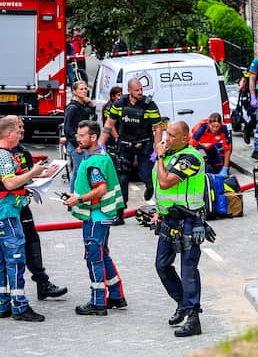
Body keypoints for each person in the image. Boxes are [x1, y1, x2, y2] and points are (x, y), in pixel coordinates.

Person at [63, 120, 126, 316]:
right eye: (78, 136)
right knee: (103, 254)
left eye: (82, 136)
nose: (78, 139)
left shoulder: (94, 162)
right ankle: (116, 296)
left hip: (96, 216)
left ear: (93, 137)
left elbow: (100, 189)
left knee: (94, 258)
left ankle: (98, 302)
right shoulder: (100, 156)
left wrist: (78, 199)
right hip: (105, 215)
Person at [151, 121, 207, 337]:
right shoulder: (171, 155)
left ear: (185, 138)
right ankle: (182, 302)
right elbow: (159, 189)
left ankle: (193, 317)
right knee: (162, 265)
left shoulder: (191, 157)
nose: (167, 140)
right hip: (168, 219)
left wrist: (160, 156)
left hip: (190, 222)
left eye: (173, 136)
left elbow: (165, 183)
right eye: (167, 135)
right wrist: (158, 211)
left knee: (188, 270)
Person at [11, 117, 67, 301]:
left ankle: (43, 283)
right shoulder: (3, 154)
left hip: (22, 205)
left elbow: (28, 176)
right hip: (7, 208)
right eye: (19, 128)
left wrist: (45, 173)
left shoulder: (22, 152)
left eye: (22, 127)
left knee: (32, 241)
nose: (22, 131)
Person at [0, 116, 48, 321]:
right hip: (7, 214)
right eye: (18, 132)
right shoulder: (3, 156)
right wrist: (33, 173)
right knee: (16, 258)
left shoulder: (7, 154)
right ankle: (19, 306)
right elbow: (10, 184)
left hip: (6, 212)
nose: (21, 135)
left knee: (2, 260)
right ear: (9, 134)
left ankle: (2, 303)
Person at [100, 77, 163, 223]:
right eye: (137, 90)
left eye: (141, 89)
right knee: (122, 178)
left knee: (145, 173)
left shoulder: (149, 105)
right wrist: (101, 144)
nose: (140, 92)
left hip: (144, 144)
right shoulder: (119, 103)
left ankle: (149, 186)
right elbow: (110, 123)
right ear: (129, 91)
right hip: (125, 145)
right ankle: (120, 214)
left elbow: (158, 127)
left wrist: (157, 148)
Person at [64, 80, 97, 191]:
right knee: (78, 172)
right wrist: (77, 145)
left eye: (85, 89)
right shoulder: (72, 108)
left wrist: (91, 105)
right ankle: (73, 194)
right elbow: (68, 129)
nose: (84, 91)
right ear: (74, 92)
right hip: (77, 145)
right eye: (81, 89)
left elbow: (92, 118)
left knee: (83, 170)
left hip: (84, 144)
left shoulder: (82, 105)